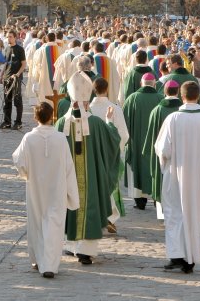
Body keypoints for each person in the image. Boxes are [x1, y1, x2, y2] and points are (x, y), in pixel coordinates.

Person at [154, 81, 200, 274]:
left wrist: (165, 162)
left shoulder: (173, 118)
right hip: (199, 177)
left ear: (182, 96)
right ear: (198, 96)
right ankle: (190, 257)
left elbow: (163, 149)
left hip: (176, 174)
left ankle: (177, 255)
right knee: (194, 215)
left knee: (175, 213)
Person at [54, 70, 120, 265]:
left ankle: (72, 245)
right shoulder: (97, 123)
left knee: (69, 204)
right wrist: (110, 122)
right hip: (90, 180)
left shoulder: (60, 124)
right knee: (87, 203)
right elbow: (112, 142)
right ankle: (85, 250)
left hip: (67, 178)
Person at [12, 102, 79, 279]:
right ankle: (49, 264)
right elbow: (69, 167)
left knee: (37, 222)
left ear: (35, 118)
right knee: (54, 224)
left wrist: (26, 174)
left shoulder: (28, 138)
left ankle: (38, 260)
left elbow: (18, 160)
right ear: (52, 117)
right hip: (56, 187)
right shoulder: (61, 138)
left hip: (36, 187)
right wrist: (72, 192)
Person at [89, 78, 129, 233]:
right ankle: (110, 216)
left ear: (93, 90)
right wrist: (117, 149)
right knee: (110, 185)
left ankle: (103, 216)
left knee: (96, 186)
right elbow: (124, 135)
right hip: (112, 154)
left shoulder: (89, 109)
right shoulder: (115, 109)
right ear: (106, 90)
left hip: (93, 155)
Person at [123, 73, 164, 210]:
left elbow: (125, 123)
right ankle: (156, 198)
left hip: (137, 143)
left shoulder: (132, 98)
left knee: (138, 168)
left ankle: (140, 201)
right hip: (156, 142)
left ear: (141, 83)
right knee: (156, 167)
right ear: (154, 84)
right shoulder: (160, 98)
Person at [143, 80, 181, 220]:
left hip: (162, 158)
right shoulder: (183, 110)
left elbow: (152, 138)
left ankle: (162, 213)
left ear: (165, 91)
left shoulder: (157, 110)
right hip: (181, 159)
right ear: (177, 92)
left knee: (162, 181)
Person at [0, 31, 26, 130]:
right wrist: (1, 75)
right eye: (7, 37)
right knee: (6, 101)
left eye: (10, 37)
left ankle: (18, 122)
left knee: (17, 101)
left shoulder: (20, 49)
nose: (8, 38)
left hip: (16, 79)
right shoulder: (7, 48)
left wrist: (18, 74)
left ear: (15, 38)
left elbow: (23, 64)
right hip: (7, 78)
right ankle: (7, 122)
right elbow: (6, 63)